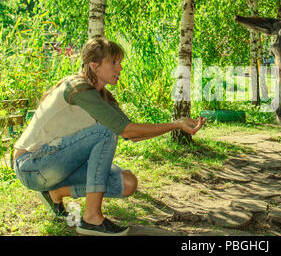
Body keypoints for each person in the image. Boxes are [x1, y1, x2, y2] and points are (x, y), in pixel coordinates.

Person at [12, 37, 206, 236]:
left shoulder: (102, 96)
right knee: (105, 131)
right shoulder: (77, 87)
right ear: (95, 66)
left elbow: (133, 135)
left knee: (127, 184)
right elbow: (124, 129)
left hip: (59, 167)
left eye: (120, 62)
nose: (120, 68)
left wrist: (178, 125)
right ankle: (91, 219)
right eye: (114, 62)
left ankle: (55, 193)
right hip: (31, 166)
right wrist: (175, 124)